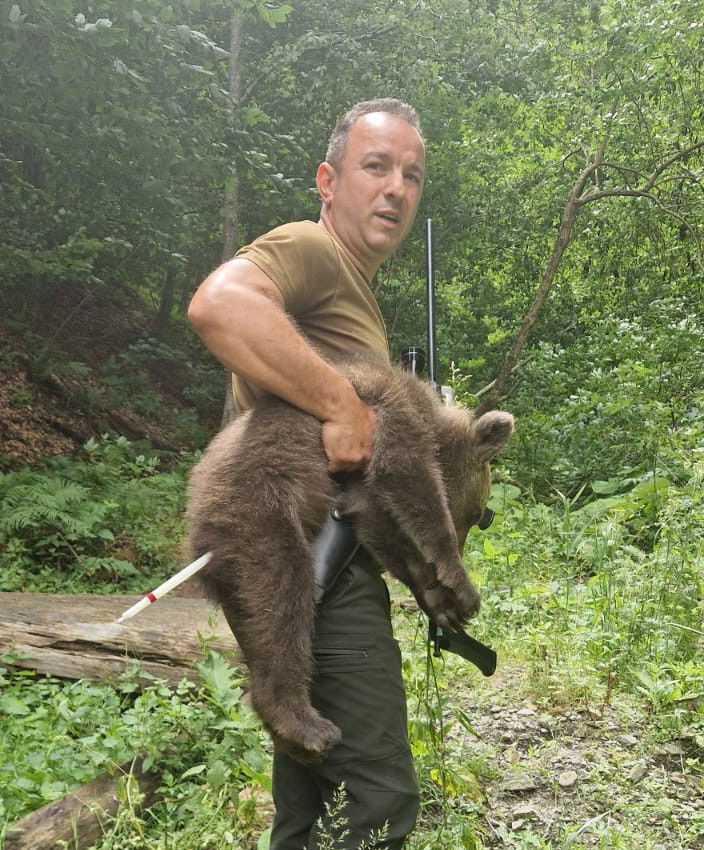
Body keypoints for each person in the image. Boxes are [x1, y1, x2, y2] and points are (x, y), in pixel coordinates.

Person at [186, 97, 427, 849]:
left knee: (309, 794)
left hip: (313, 562)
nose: (395, 188)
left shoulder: (353, 286)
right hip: (314, 569)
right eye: (376, 166)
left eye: (412, 176)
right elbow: (219, 305)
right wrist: (342, 405)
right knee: (378, 797)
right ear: (329, 179)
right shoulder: (311, 249)